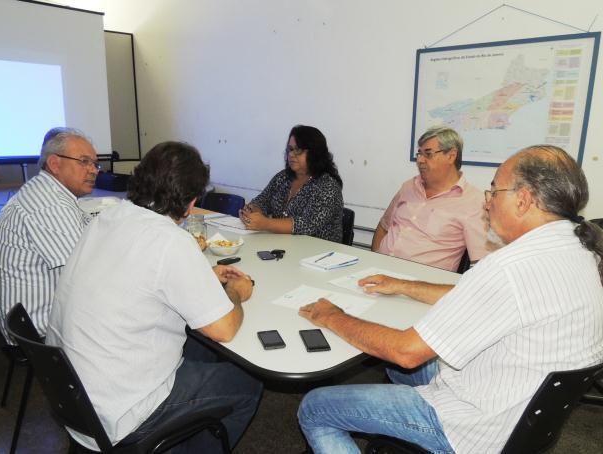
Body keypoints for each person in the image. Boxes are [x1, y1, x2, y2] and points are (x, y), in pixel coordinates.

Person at [298, 145, 603, 453]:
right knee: (397, 370)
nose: (486, 203)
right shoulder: (580, 251)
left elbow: (406, 351)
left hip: (470, 428)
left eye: (494, 191)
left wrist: (331, 316)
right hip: (516, 410)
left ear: (523, 200)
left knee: (315, 407)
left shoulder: (509, 266)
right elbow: (476, 296)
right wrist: (403, 285)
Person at [46, 141, 262, 453]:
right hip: (120, 410)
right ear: (191, 204)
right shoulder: (171, 240)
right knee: (247, 383)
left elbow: (135, 277)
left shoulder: (106, 219)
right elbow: (225, 328)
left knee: (198, 348)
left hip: (74, 394)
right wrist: (237, 294)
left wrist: (199, 278)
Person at [0, 127, 99, 339]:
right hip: (38, 333)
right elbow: (86, 274)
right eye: (84, 161)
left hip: (30, 321)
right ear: (54, 164)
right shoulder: (48, 205)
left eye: (95, 163)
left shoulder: (48, 192)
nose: (94, 170)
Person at [372, 126, 490, 271]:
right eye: (419, 154)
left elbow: (482, 263)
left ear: (451, 156)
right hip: (379, 272)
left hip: (419, 286)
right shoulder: (408, 187)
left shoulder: (474, 202)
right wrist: (374, 262)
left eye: (428, 154)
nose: (420, 160)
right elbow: (383, 228)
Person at [239, 125, 344, 242]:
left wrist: (265, 223)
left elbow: (306, 224)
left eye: (298, 150)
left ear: (315, 153)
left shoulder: (328, 186)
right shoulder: (283, 177)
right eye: (290, 149)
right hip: (282, 245)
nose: (291, 154)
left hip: (319, 253)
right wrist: (251, 211)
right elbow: (262, 200)